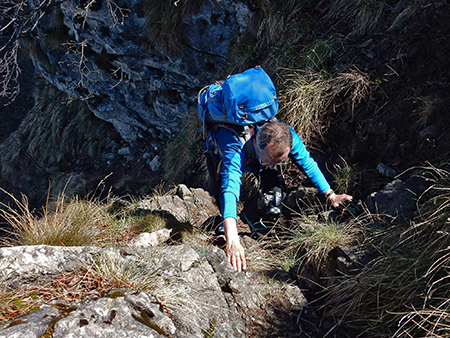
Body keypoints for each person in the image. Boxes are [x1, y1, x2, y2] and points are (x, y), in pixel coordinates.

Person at [206, 121, 353, 272]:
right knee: (223, 199)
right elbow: (230, 189)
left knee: (274, 196)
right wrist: (233, 240)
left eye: (279, 161)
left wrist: (331, 195)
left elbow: (308, 164)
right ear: (256, 143)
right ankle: (227, 226)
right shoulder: (234, 148)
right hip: (221, 156)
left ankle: (252, 217)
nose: (271, 166)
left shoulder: (286, 136)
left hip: (256, 156)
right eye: (269, 161)